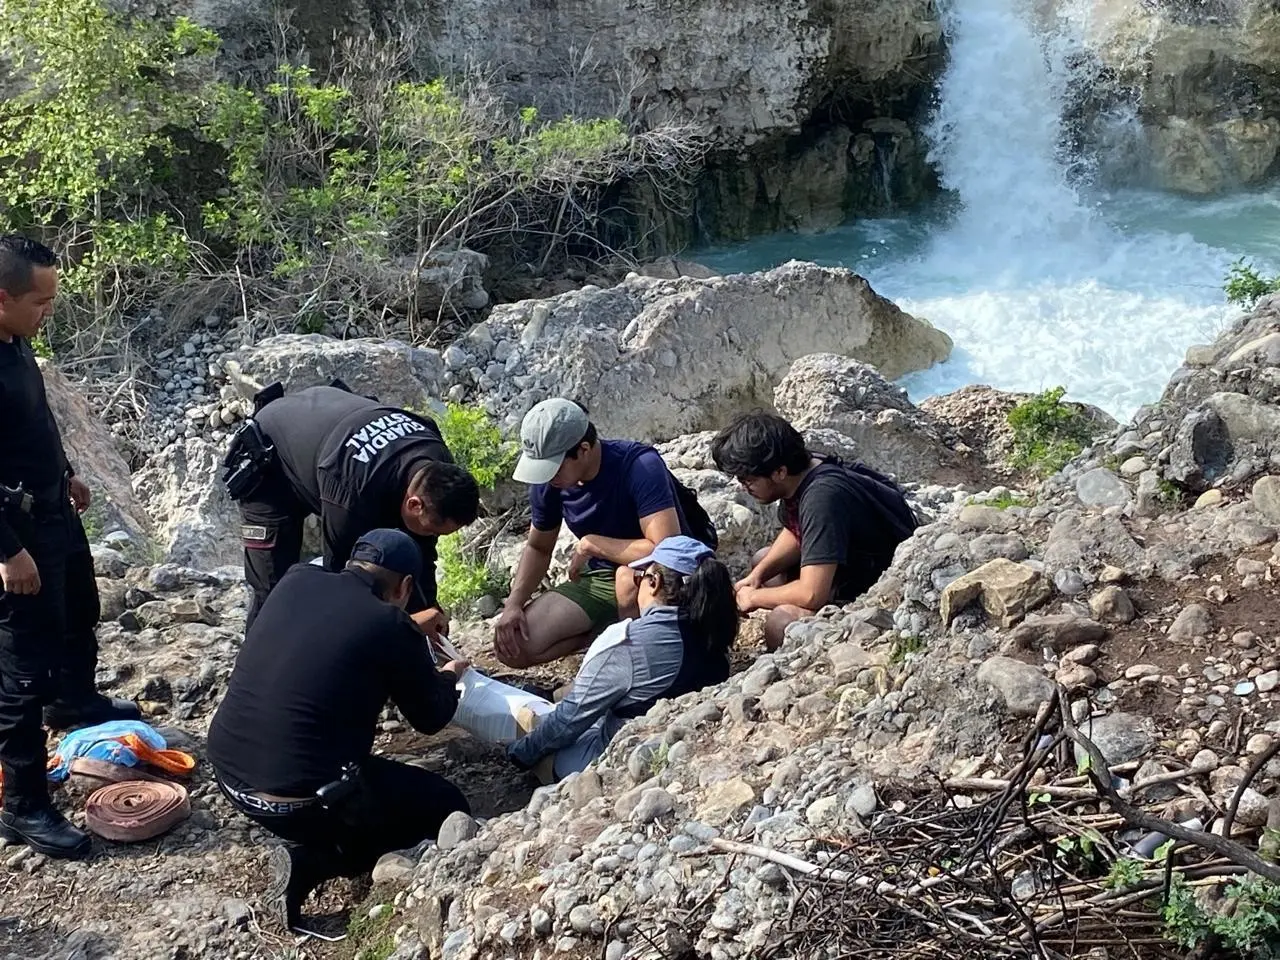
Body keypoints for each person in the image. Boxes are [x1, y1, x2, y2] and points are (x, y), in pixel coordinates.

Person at [206, 528, 471, 930]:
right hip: (297, 801)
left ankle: (318, 838)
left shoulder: (297, 579)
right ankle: (313, 861)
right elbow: (431, 718)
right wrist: (449, 677)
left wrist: (409, 634)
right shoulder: (389, 624)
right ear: (404, 586)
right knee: (448, 806)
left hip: (228, 774)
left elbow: (341, 631)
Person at [0, 235, 140, 860]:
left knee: (81, 609)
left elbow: (34, 423)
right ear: (1, 298)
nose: (48, 311)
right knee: (21, 673)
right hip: (16, 530)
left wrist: (67, 472)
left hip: (54, 505)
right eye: (40, 302)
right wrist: (7, 552)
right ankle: (24, 804)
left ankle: (75, 698)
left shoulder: (17, 337)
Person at [221, 383, 480, 636]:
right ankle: (260, 667)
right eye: (433, 530)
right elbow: (342, 584)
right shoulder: (350, 493)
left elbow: (420, 553)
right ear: (414, 504)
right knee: (274, 590)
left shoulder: (437, 462)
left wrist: (427, 609)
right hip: (271, 458)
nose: (432, 537)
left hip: (326, 428)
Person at [494, 398, 718, 669]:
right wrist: (514, 604)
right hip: (603, 575)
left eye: (554, 466)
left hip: (662, 574)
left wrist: (592, 544)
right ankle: (607, 635)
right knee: (513, 646)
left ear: (584, 449)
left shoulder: (639, 466)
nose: (547, 477)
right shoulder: (550, 482)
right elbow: (538, 548)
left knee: (626, 580)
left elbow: (666, 550)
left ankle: (635, 657)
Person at [507, 535, 736, 781]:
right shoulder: (715, 633)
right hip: (677, 747)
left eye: (640, 578)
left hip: (612, 761)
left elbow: (569, 720)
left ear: (654, 582)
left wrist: (518, 755)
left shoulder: (630, 642)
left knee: (533, 721)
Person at [711, 411, 917, 651]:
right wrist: (757, 576)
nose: (743, 486)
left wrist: (752, 598)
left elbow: (812, 594)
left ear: (779, 472)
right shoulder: (806, 470)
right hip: (846, 565)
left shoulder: (822, 497)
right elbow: (797, 531)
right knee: (762, 561)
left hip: (874, 590)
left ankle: (785, 673)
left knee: (780, 621)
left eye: (748, 479)